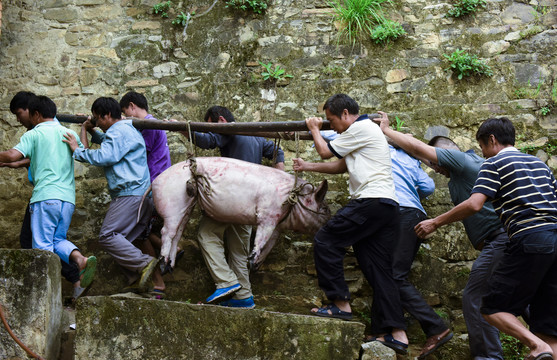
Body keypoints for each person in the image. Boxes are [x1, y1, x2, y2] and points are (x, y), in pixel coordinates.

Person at [414, 117, 557, 360]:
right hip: (554, 240)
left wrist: (435, 221)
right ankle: (543, 344)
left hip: (527, 238)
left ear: (491, 140)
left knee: (489, 307)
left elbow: (475, 204)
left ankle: (532, 347)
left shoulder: (494, 163)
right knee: (547, 326)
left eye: (481, 146)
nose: (482, 153)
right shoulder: (539, 164)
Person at [378, 113, 508, 360]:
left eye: (436, 163)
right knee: (519, 298)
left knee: (475, 297)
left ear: (448, 154)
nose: (435, 169)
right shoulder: (471, 169)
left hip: (499, 239)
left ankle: (489, 357)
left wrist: (386, 130)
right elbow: (420, 153)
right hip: (509, 240)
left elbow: (420, 149)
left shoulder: (462, 160)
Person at [292, 94, 409, 355]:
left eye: (331, 120)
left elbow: (325, 150)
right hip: (386, 206)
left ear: (345, 114)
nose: (330, 126)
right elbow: (340, 166)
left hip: (370, 201)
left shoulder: (361, 127)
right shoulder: (363, 134)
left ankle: (340, 304)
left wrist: (313, 129)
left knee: (326, 240)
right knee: (378, 269)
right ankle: (396, 334)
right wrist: (307, 165)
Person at [180, 105, 285, 309]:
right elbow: (276, 150)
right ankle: (244, 297)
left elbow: (208, 141)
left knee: (206, 234)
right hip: (250, 203)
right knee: (238, 250)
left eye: (210, 126)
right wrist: (279, 171)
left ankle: (226, 281)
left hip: (231, 198)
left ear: (220, 120)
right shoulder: (253, 135)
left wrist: (184, 130)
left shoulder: (229, 129)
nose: (212, 131)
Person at [63, 97, 162, 296]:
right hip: (140, 194)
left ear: (107, 115)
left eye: (98, 119)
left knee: (108, 236)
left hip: (130, 194)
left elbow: (106, 156)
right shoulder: (126, 130)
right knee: (122, 240)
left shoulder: (119, 131)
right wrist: (90, 129)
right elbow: (110, 145)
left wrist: (77, 150)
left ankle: (144, 264)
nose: (97, 123)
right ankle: (138, 281)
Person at [0, 95, 96, 289]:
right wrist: (84, 130)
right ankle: (80, 259)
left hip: (45, 198)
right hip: (67, 200)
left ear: (36, 114)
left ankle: (45, 294)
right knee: (57, 240)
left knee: (42, 249)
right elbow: (84, 150)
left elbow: (11, 155)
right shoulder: (68, 133)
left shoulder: (34, 134)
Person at [388, 141, 454, 359]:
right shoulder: (412, 160)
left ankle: (435, 326)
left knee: (394, 276)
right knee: (394, 274)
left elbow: (334, 135)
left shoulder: (381, 149)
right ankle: (392, 331)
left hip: (399, 212)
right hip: (417, 215)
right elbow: (428, 187)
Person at [119, 91, 177, 298]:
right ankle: (171, 250)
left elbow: (138, 152)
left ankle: (157, 283)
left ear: (132, 106)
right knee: (142, 230)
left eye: (126, 113)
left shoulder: (149, 125)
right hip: (155, 184)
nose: (126, 117)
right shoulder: (150, 124)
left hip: (152, 185)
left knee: (139, 233)